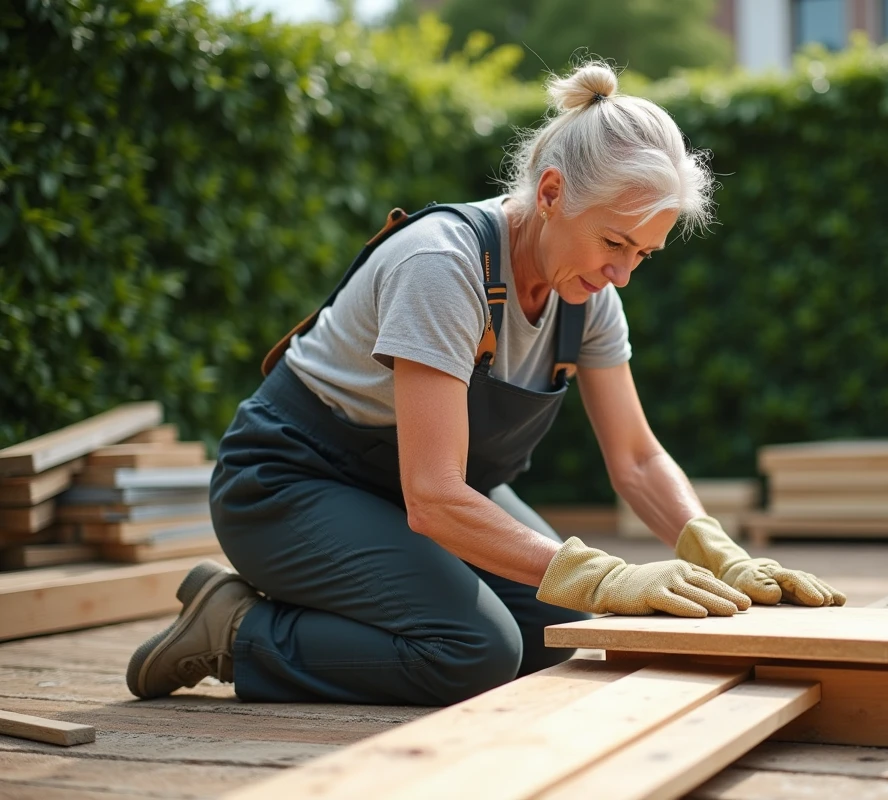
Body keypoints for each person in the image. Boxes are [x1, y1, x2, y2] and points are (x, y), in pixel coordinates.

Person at [125, 61, 846, 707]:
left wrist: (713, 546)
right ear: (554, 192)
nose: (623, 273)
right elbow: (434, 497)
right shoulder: (444, 267)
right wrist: (606, 574)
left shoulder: (589, 298)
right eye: (615, 244)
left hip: (412, 494)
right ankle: (237, 628)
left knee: (561, 633)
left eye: (644, 254)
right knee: (474, 649)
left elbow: (636, 458)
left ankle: (340, 609)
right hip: (287, 488)